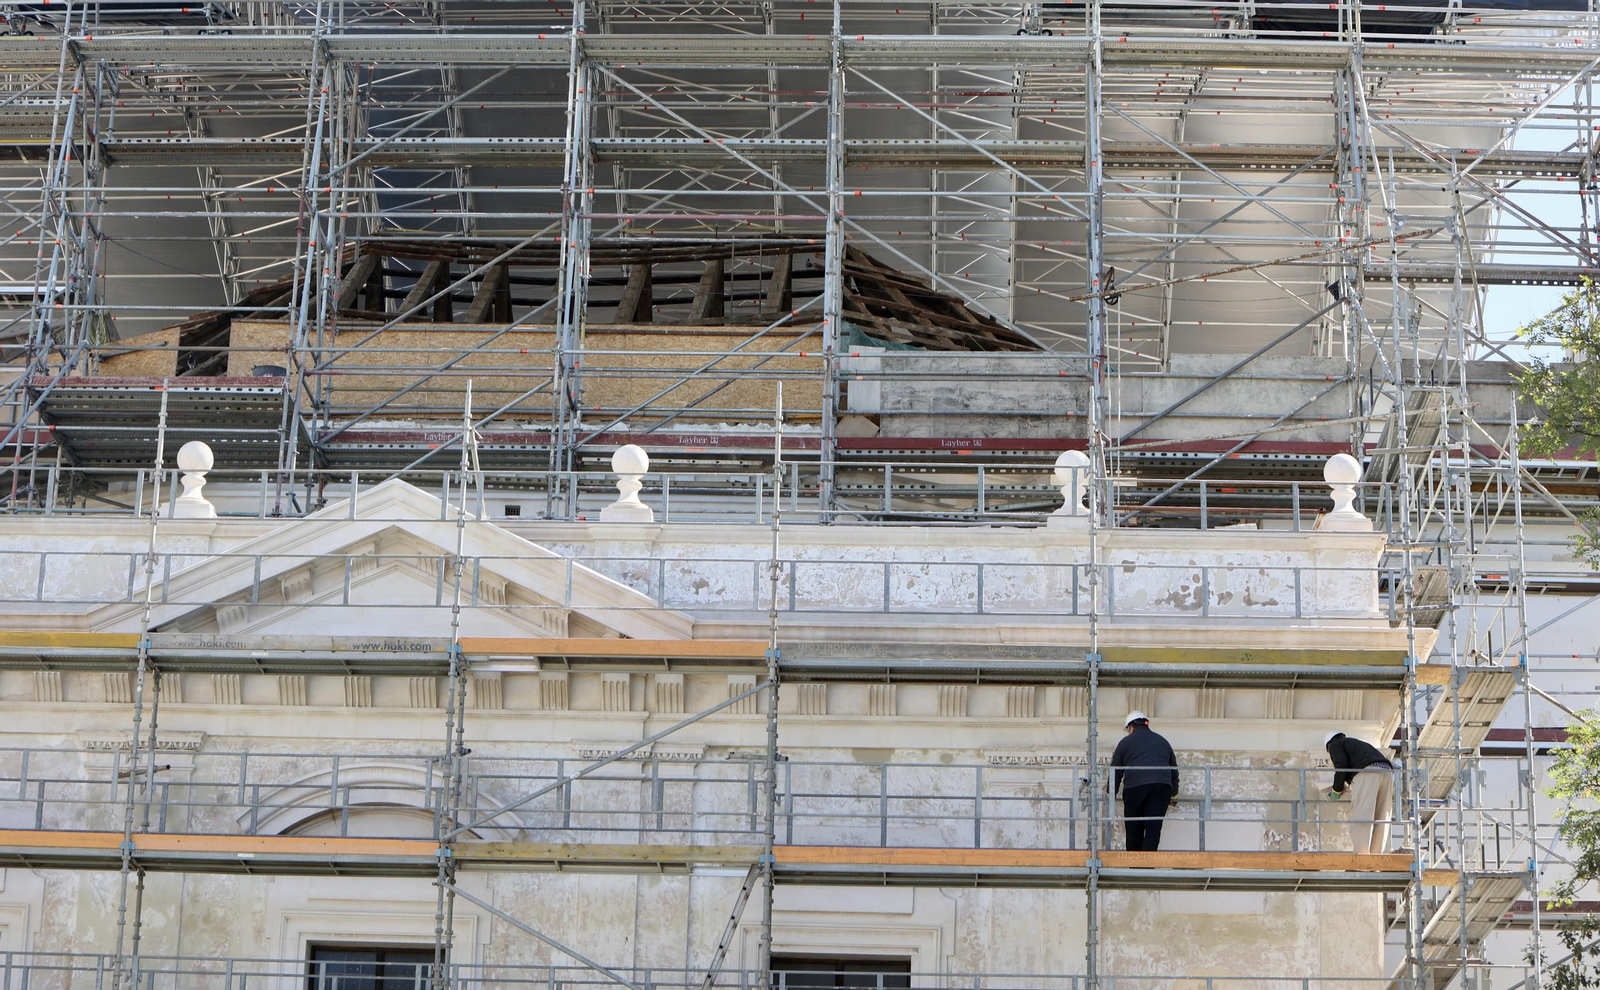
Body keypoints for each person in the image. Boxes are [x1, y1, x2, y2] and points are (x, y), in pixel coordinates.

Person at [1111, 711, 1179, 851]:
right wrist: (1173, 794)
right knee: (1153, 827)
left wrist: (1111, 792)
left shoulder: (1125, 743)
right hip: (1161, 787)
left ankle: (1135, 865)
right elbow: (1173, 770)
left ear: (1131, 727)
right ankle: (1148, 865)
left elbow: (1115, 770)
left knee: (1134, 826)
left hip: (1135, 786)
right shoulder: (1162, 741)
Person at [1324, 730, 1396, 854]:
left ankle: (1362, 856)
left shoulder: (1335, 745)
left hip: (1368, 773)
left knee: (1362, 814)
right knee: (1382, 817)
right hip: (1387, 773)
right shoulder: (1356, 744)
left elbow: (1341, 766)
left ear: (1328, 745)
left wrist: (1336, 790)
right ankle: (1376, 857)